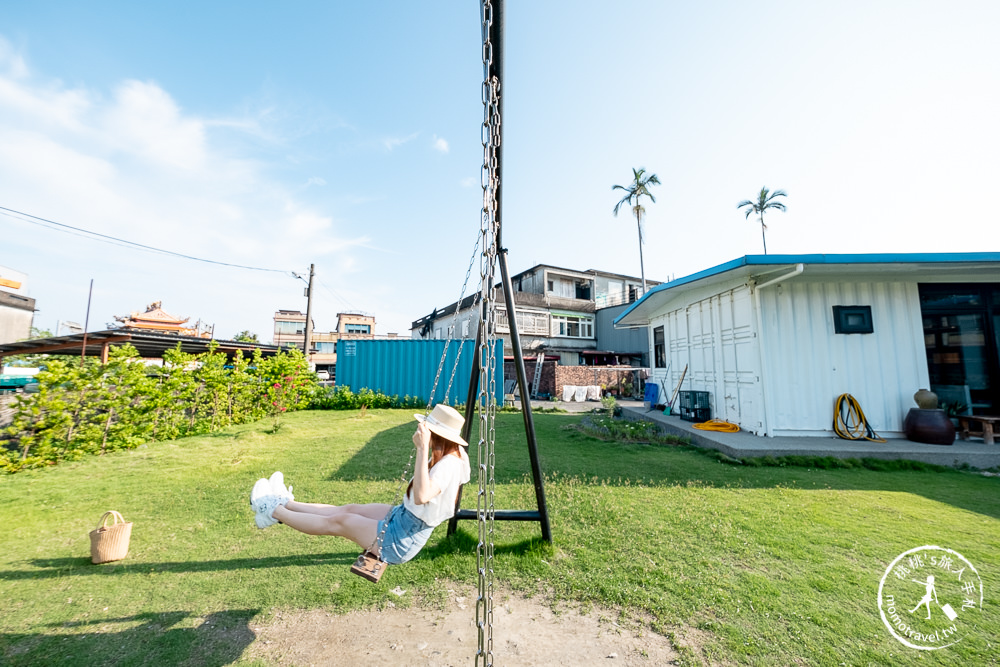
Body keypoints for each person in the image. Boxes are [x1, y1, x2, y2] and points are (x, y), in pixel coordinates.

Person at [249, 404, 471, 565]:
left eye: (425, 429)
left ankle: (272, 511)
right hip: (402, 516)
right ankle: (287, 503)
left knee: (339, 522)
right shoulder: (455, 454)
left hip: (400, 540)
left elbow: (422, 496)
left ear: (437, 435)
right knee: (349, 509)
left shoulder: (448, 464)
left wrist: (422, 449)